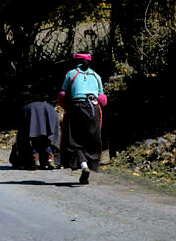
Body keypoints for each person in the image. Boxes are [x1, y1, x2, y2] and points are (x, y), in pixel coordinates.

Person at [57, 52, 107, 184]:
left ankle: (83, 165)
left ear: (76, 61)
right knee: (91, 139)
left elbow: (62, 95)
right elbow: (103, 100)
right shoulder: (96, 76)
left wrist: (66, 107)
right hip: (94, 109)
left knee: (73, 139)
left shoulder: (71, 74)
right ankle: (89, 165)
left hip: (77, 108)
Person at [9, 99, 61, 170]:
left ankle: (35, 158)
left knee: (30, 139)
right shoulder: (49, 107)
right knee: (47, 139)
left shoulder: (26, 108)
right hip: (49, 111)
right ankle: (50, 158)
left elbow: (22, 134)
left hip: (29, 111)